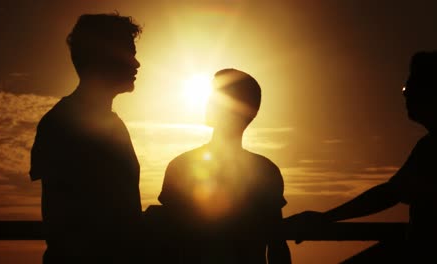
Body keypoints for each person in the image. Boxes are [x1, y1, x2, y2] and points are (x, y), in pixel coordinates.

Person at [285, 51, 437, 262]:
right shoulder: (427, 145)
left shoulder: (431, 148)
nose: (405, 94)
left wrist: (326, 218)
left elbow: (390, 194)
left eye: (409, 88)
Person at [30, 13, 142, 263]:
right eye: (129, 53)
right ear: (103, 58)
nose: (136, 64)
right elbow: (65, 220)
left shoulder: (109, 123)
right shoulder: (63, 124)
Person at [158, 69, 291, 263]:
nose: (207, 103)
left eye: (215, 97)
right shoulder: (267, 171)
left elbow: (167, 244)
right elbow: (277, 245)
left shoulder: (181, 166)